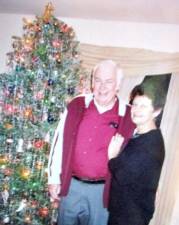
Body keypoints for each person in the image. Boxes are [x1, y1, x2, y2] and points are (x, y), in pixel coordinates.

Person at [48, 60, 135, 225]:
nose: (102, 87)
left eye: (108, 81)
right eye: (98, 80)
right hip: (71, 187)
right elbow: (58, 143)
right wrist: (53, 178)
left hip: (103, 193)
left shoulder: (129, 115)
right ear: (92, 82)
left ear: (117, 85)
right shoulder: (77, 105)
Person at [107, 80, 166, 225]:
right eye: (135, 104)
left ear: (156, 111)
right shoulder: (143, 135)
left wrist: (112, 156)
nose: (136, 110)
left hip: (130, 217)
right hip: (126, 212)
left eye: (144, 106)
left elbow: (122, 175)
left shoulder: (149, 144)